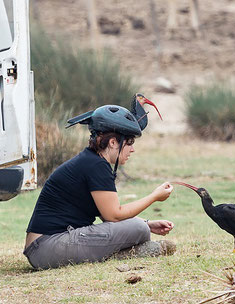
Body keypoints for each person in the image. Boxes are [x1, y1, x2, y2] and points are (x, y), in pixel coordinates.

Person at [24, 103, 176, 269]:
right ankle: (129, 253)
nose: (132, 149)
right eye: (129, 142)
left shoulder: (92, 161)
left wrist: (148, 223)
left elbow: (106, 214)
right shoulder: (96, 165)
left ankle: (126, 253)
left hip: (44, 247)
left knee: (142, 228)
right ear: (112, 142)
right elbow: (114, 215)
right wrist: (154, 197)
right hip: (47, 247)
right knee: (139, 229)